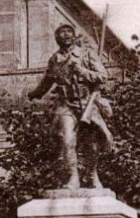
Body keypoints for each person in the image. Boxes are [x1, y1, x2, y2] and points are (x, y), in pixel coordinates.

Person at [28, 24, 113, 189]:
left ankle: (92, 173)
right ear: (57, 38)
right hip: (66, 104)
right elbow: (48, 80)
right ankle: (73, 178)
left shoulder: (86, 54)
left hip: (87, 103)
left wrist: (81, 70)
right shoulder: (55, 59)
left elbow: (103, 76)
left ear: (74, 37)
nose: (65, 35)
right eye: (61, 33)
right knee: (67, 140)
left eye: (68, 32)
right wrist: (35, 93)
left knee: (92, 144)